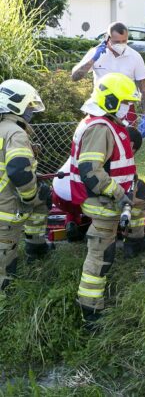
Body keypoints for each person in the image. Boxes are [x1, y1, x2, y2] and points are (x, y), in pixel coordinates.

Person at [69, 73, 145, 325]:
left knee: (142, 198)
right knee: (100, 257)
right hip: (104, 202)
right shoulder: (100, 128)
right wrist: (119, 194)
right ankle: (90, 312)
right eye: (125, 102)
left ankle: (135, 244)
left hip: (116, 197)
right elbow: (91, 172)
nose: (128, 108)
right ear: (111, 100)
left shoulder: (105, 123)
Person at [0, 79, 49, 290]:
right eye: (29, 106)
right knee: (4, 268)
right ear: (16, 104)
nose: (31, 111)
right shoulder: (15, 133)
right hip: (5, 211)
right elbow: (19, 170)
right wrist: (31, 196)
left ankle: (35, 248)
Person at [71, 21, 145, 127]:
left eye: (124, 41)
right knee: (100, 140)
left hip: (125, 107)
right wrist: (93, 59)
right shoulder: (95, 53)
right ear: (107, 38)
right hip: (100, 107)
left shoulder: (135, 57)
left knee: (125, 142)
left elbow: (144, 90)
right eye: (117, 41)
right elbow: (75, 77)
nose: (121, 45)